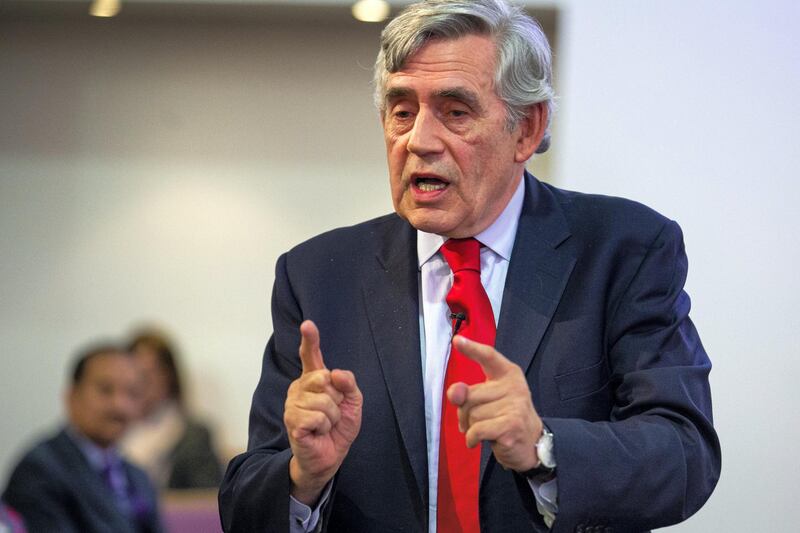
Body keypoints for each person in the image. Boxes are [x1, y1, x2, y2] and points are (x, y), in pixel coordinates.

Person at [219, 0, 721, 531]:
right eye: (402, 111)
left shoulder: (622, 250)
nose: (419, 141)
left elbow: (684, 453)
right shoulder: (319, 275)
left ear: (527, 129)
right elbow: (245, 504)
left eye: (455, 112)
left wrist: (543, 446)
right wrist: (304, 477)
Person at [3, 342, 163, 533]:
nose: (120, 405)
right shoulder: (39, 470)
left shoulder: (137, 476)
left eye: (132, 393)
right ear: (72, 397)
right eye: (105, 390)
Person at [121, 328, 223, 490]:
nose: (141, 382)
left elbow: (206, 503)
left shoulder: (195, 435)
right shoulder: (111, 433)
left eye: (149, 373)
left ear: (170, 376)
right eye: (135, 373)